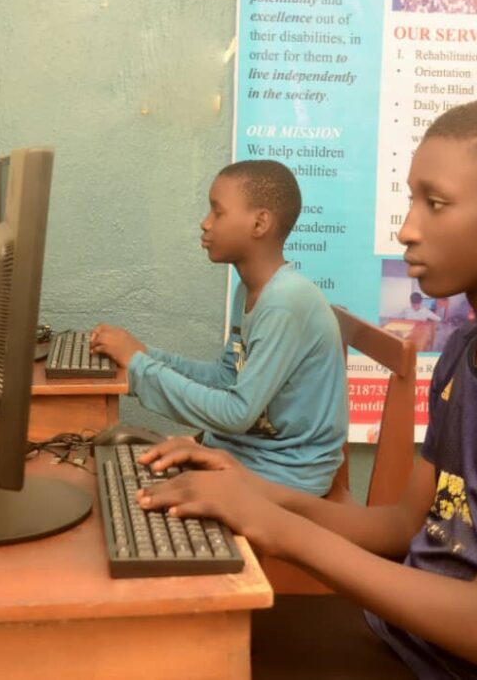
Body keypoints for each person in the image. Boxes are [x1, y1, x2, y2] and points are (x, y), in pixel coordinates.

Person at [135, 97, 477, 678]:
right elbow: (400, 526)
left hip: (463, 670)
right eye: (411, 200)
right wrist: (249, 489)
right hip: (403, 641)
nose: (407, 227)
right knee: (179, 643)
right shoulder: (464, 353)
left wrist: (278, 529)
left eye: (436, 203)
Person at [90, 159, 347, 496]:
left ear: (259, 223)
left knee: (141, 498)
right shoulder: (252, 290)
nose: (205, 223)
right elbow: (227, 379)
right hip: (249, 456)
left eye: (217, 212)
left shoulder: (285, 303)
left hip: (285, 475)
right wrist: (144, 355)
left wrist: (140, 368)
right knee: (122, 478)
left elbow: (236, 414)